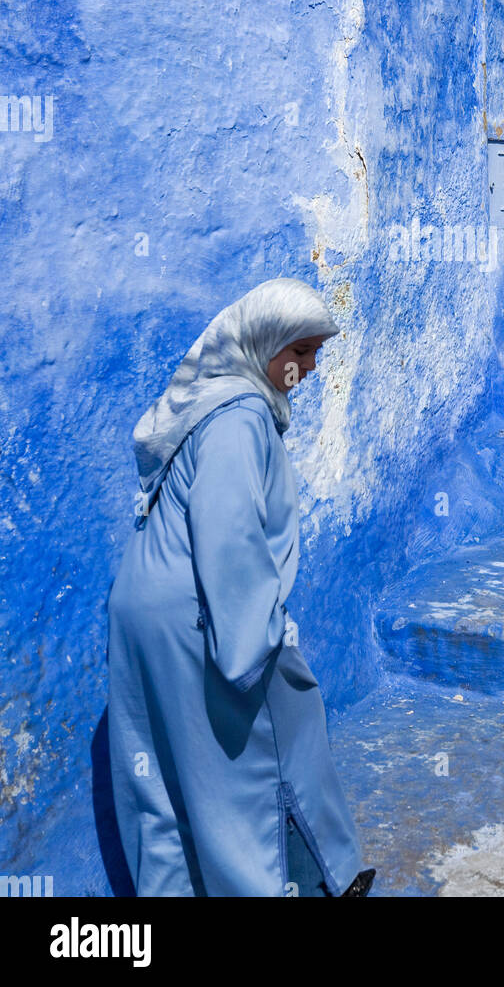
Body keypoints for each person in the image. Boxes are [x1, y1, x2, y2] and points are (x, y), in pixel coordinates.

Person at [107, 276, 375, 897]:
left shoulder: (212, 404)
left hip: (144, 608)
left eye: (314, 356)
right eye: (300, 352)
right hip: (196, 611)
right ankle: (312, 883)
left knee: (166, 776)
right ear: (265, 344)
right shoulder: (241, 414)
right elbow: (228, 532)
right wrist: (258, 640)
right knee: (272, 749)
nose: (307, 370)